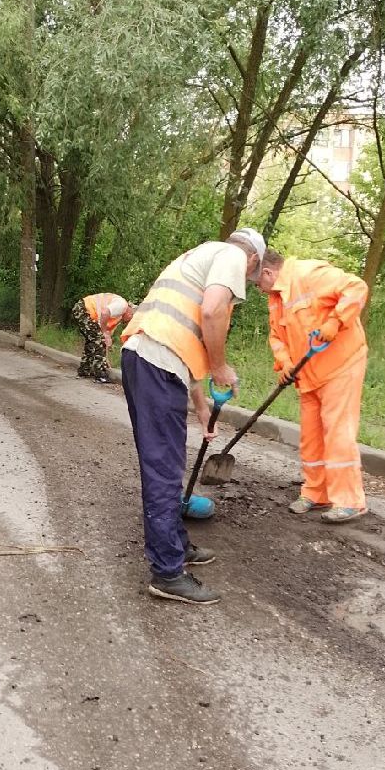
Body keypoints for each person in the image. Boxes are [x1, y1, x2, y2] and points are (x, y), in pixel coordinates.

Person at [120, 228, 266, 604]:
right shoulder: (233, 257)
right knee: (164, 468)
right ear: (253, 260)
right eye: (252, 276)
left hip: (150, 358)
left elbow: (187, 339)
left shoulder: (195, 257)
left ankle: (176, 545)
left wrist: (201, 408)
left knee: (165, 462)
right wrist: (220, 367)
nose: (244, 284)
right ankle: (167, 573)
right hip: (156, 363)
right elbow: (213, 310)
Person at [256, 248, 369, 523]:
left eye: (256, 282)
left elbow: (356, 287)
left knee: (337, 432)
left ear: (268, 272)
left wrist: (335, 320)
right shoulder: (275, 298)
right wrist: (283, 363)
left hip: (340, 366)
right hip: (308, 375)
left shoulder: (309, 273)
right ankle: (316, 493)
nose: (258, 289)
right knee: (311, 437)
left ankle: (349, 500)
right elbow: (276, 336)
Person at [72, 293, 134, 382]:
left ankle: (85, 370)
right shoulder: (121, 305)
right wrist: (104, 332)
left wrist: (106, 359)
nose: (126, 322)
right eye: (129, 320)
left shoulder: (117, 316)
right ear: (130, 313)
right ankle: (100, 375)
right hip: (84, 309)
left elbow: (105, 341)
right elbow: (105, 312)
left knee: (93, 340)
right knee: (98, 338)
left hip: (84, 310)